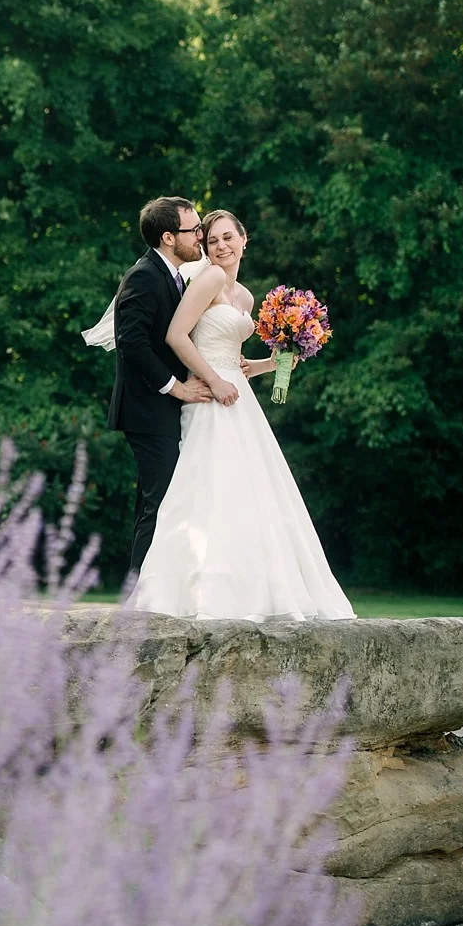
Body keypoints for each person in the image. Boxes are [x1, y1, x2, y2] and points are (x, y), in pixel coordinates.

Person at [123, 208, 354, 621]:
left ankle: (257, 592)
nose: (221, 246)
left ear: (245, 239)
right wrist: (214, 381)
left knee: (252, 494)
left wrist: (279, 360)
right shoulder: (208, 278)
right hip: (212, 396)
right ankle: (195, 593)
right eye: (212, 240)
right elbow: (176, 336)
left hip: (238, 395)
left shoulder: (245, 296)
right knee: (209, 492)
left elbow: (238, 361)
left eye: (228, 237)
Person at [104, 197, 214, 574]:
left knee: (157, 503)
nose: (200, 235)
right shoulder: (144, 276)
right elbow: (131, 342)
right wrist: (177, 388)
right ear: (169, 237)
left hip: (161, 410)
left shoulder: (173, 276)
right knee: (163, 504)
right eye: (193, 229)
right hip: (146, 409)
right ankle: (140, 602)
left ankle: (143, 594)